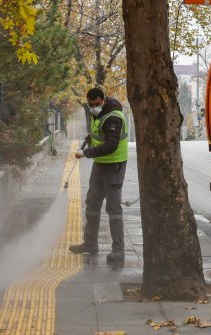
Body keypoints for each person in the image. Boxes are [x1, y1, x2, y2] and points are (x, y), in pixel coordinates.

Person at [69, 87, 129, 263]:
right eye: (91, 104)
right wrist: (91, 138)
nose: (94, 106)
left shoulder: (114, 117)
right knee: (92, 205)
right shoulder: (99, 114)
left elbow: (111, 145)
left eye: (96, 104)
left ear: (103, 100)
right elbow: (101, 135)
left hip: (114, 167)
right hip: (100, 165)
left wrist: (86, 153)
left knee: (114, 209)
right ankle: (90, 244)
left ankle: (118, 251)